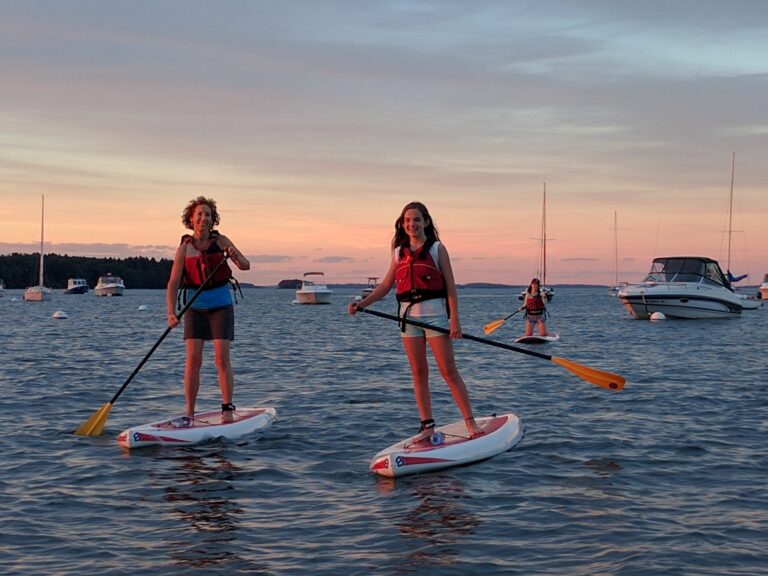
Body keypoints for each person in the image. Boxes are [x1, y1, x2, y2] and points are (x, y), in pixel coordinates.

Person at [348, 201, 483, 439]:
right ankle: (427, 425)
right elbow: (386, 285)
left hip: (435, 318)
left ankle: (470, 423)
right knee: (418, 373)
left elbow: (451, 288)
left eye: (417, 219)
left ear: (426, 222)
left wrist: (454, 320)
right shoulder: (398, 252)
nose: (412, 224)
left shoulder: (437, 249)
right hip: (408, 320)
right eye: (407, 220)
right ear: (402, 224)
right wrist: (362, 304)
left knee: (448, 371)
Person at [166, 196, 250, 425]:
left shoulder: (221, 241)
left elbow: (245, 265)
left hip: (220, 306)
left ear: (213, 220)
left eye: (208, 215)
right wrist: (171, 313)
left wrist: (234, 255)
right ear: (191, 219)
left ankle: (227, 408)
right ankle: (189, 412)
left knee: (221, 358)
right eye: (200, 215)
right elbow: (173, 283)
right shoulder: (184, 249)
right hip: (195, 308)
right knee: (193, 360)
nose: (204, 218)